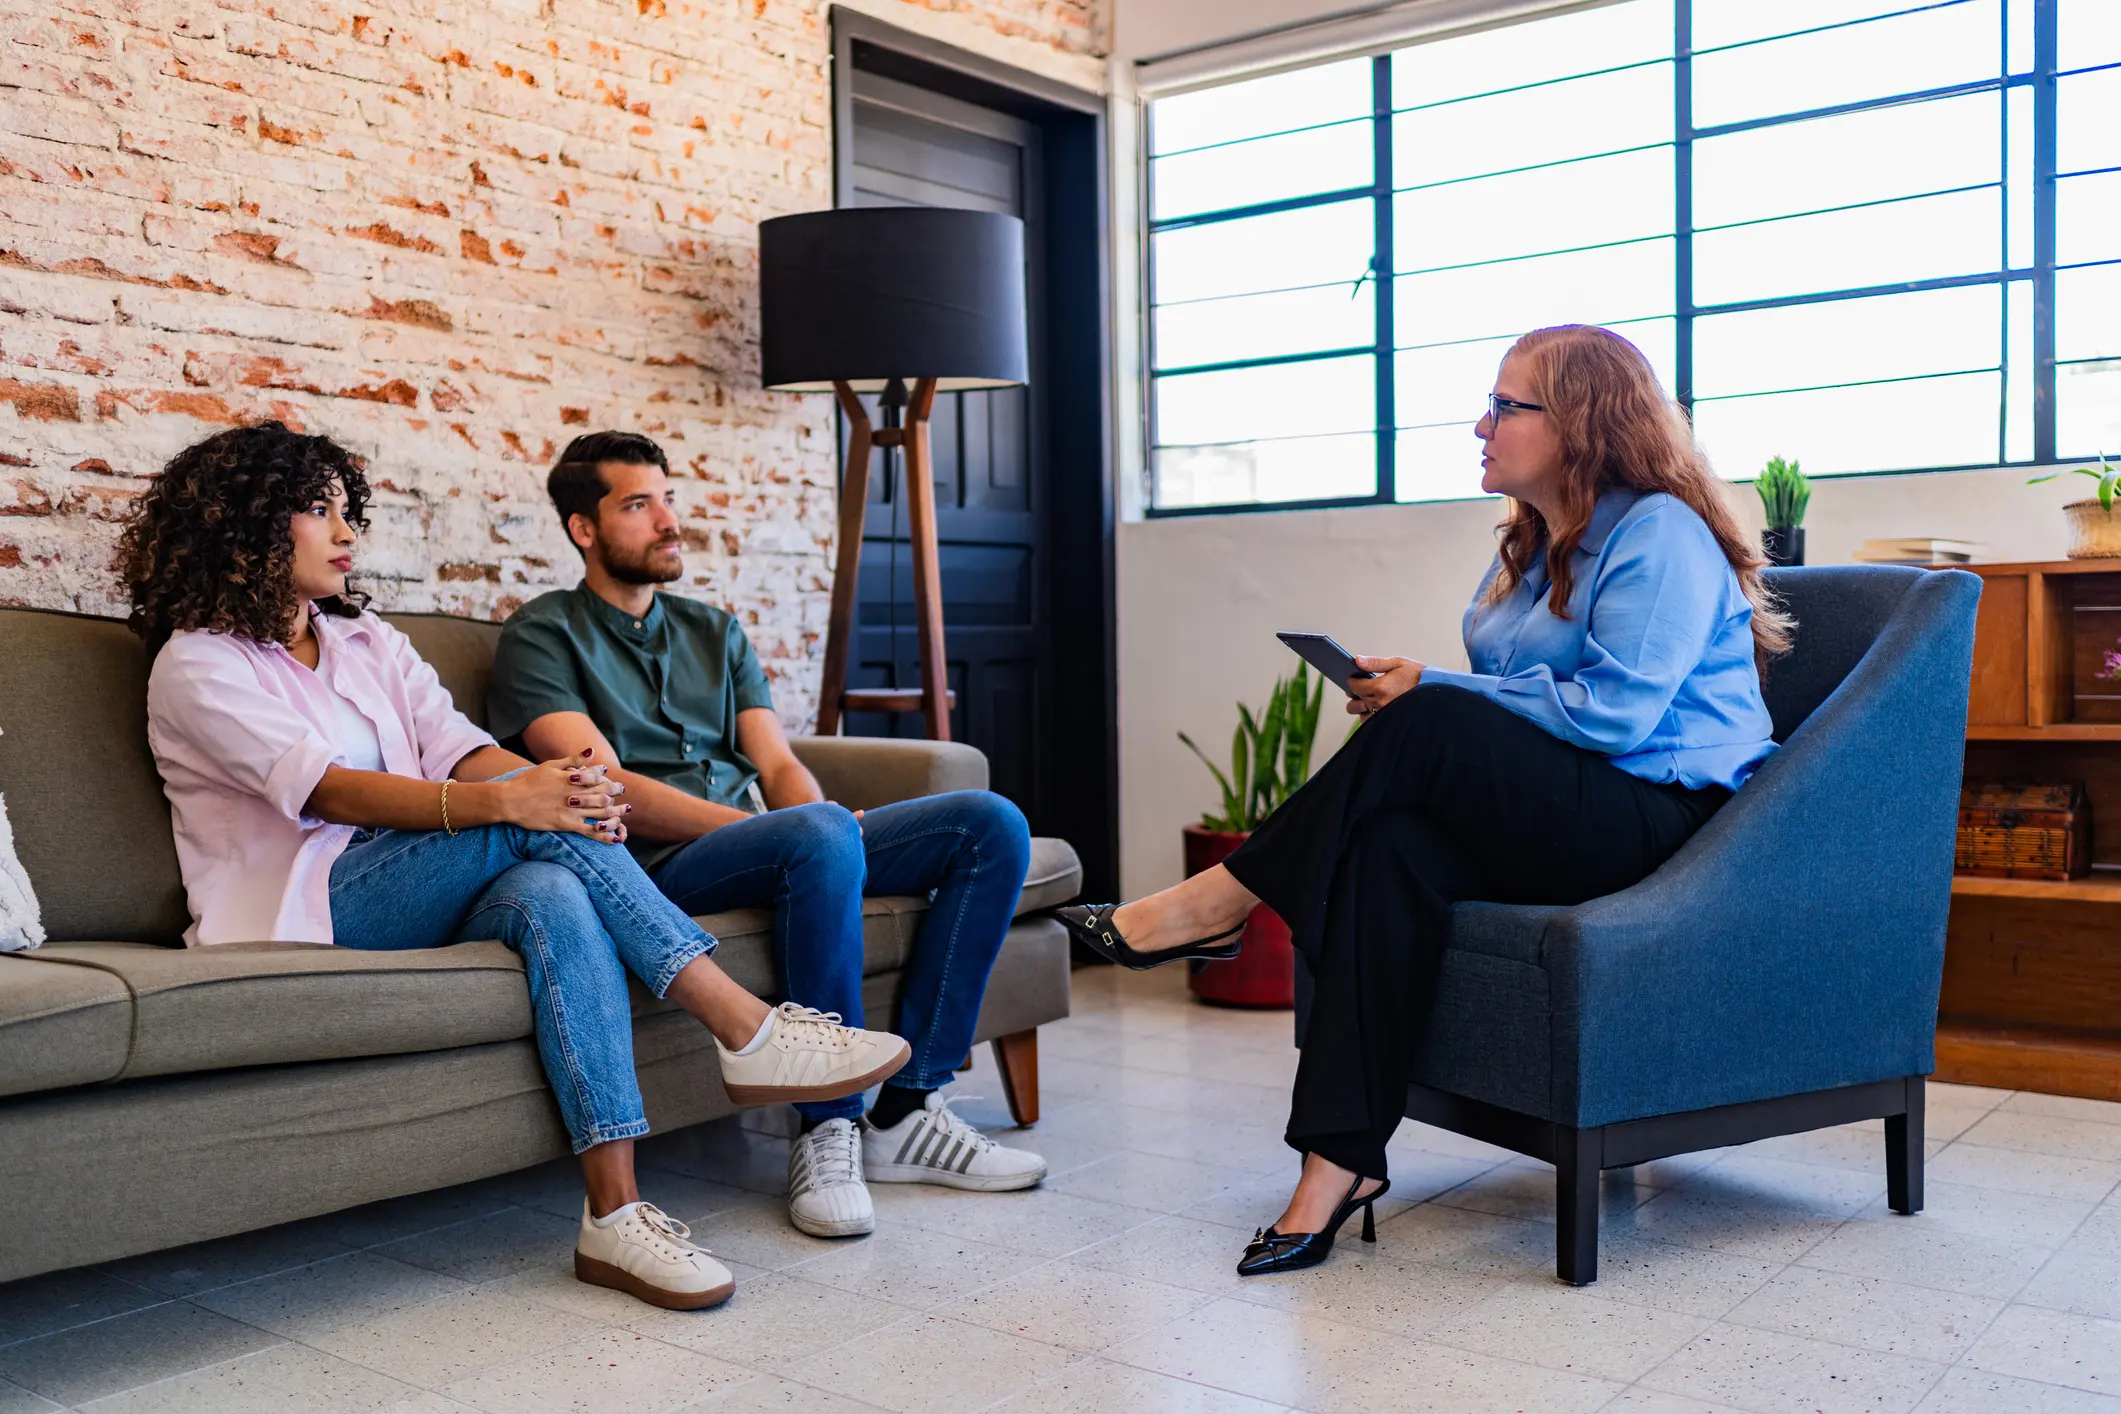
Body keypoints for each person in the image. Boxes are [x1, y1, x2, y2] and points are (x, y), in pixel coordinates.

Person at [123, 422, 913, 1312]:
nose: (347, 533)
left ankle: (615, 1217)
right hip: (302, 905)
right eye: (317, 511)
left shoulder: (366, 641)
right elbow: (330, 791)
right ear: (247, 527)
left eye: (348, 511)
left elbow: (461, 751)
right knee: (528, 818)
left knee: (551, 888)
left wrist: (561, 785)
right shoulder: (198, 662)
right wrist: (519, 801)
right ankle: (746, 1029)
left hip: (418, 881)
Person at [1060, 324, 1788, 1276]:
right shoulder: (1531, 543)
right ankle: (1337, 1168)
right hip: (1568, 806)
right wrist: (1431, 695)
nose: (1481, 425)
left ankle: (1213, 904)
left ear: (1581, 422)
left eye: (1505, 406)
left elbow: (1615, 717)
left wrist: (1433, 693)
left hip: (1660, 819)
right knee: (1386, 847)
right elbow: (1515, 704)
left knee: (1428, 716)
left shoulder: (1658, 531)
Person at [486, 431, 1045, 1241]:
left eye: (667, 499)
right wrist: (788, 829)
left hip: (773, 842)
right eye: (638, 505)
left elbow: (777, 762)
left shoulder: (716, 631)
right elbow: (603, 786)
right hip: (657, 867)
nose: (668, 521)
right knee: (814, 833)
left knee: (988, 824)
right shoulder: (541, 635)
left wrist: (820, 820)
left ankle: (907, 1111)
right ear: (584, 527)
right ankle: (828, 1123)